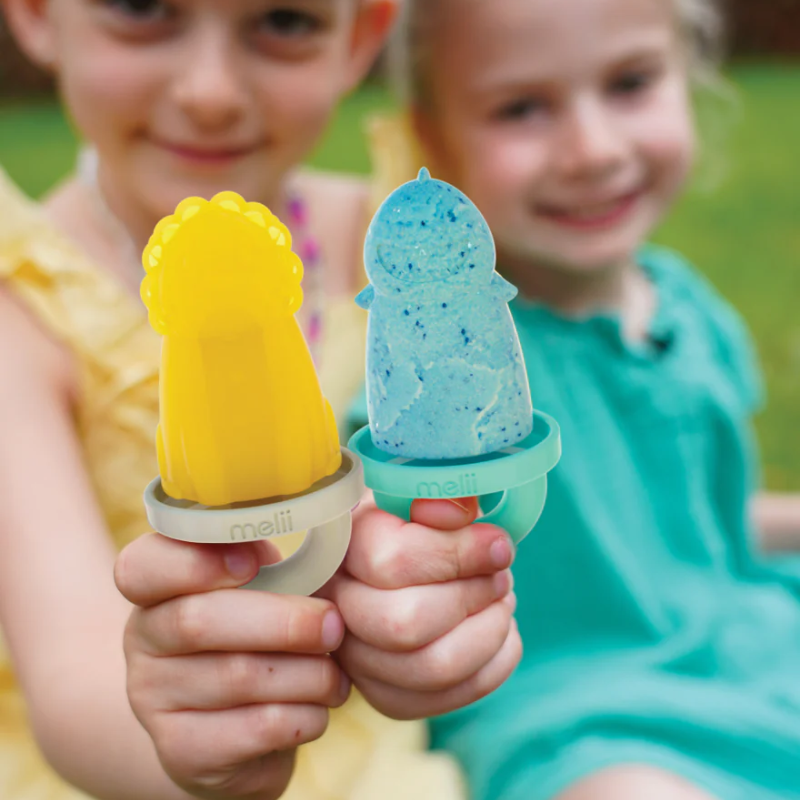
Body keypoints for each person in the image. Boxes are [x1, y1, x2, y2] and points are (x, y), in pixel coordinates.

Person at [0, 1, 519, 799]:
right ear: (36, 14)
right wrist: (181, 739)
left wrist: (433, 604)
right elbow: (69, 676)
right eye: (143, 9)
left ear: (361, 36)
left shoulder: (388, 244)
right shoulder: (22, 316)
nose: (211, 91)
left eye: (283, 20)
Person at [362, 0, 800, 797]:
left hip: (749, 650)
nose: (592, 150)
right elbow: (384, 532)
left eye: (631, 83)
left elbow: (699, 522)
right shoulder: (458, 375)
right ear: (434, 139)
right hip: (578, 710)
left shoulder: (690, 313)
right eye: (522, 108)